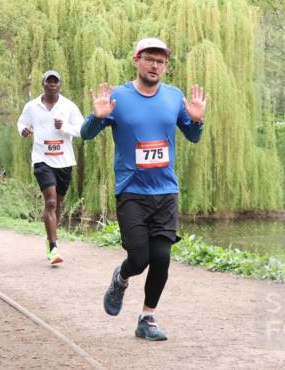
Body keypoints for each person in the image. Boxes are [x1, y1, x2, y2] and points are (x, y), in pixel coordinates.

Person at [81, 38, 208, 341]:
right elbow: (86, 134)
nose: (155, 65)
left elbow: (192, 136)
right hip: (131, 191)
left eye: (161, 61)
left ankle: (147, 317)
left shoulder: (174, 97)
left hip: (165, 190)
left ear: (165, 66)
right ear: (136, 60)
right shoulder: (118, 97)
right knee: (139, 259)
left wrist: (197, 120)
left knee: (162, 257)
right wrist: (96, 117)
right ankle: (121, 278)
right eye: (150, 59)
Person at [17, 70, 85, 265]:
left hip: (64, 161)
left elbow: (81, 129)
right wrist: (23, 130)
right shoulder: (32, 106)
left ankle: (50, 238)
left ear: (60, 85)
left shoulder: (68, 106)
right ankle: (54, 246)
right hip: (42, 159)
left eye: (56, 82)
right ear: (43, 84)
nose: (52, 85)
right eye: (49, 82)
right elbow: (22, 122)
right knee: (51, 202)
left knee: (59, 203)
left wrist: (64, 127)